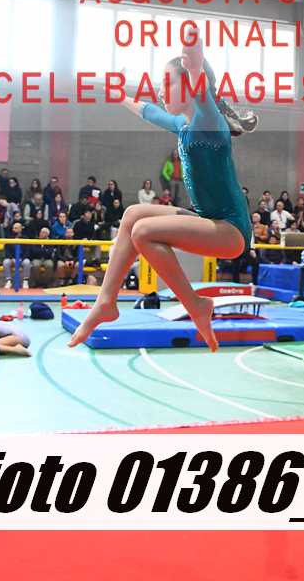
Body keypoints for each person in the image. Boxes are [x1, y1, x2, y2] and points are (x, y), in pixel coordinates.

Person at [69, 28, 253, 352]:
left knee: (143, 232)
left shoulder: (210, 124)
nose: (160, 90)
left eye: (168, 83)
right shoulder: (184, 125)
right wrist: (119, 95)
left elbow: (201, 88)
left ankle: (196, 304)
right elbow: (149, 111)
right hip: (208, 220)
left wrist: (194, 58)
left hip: (231, 231)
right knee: (132, 215)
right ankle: (106, 301)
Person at [3, 222, 31, 290]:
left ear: (20, 229)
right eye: (13, 228)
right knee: (6, 262)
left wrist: (22, 259)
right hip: (12, 258)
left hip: (22, 258)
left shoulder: (25, 238)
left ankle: (25, 281)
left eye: (16, 228)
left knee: (27, 262)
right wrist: (12, 258)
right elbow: (7, 250)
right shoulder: (9, 238)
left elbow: (27, 251)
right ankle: (8, 280)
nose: (13, 229)